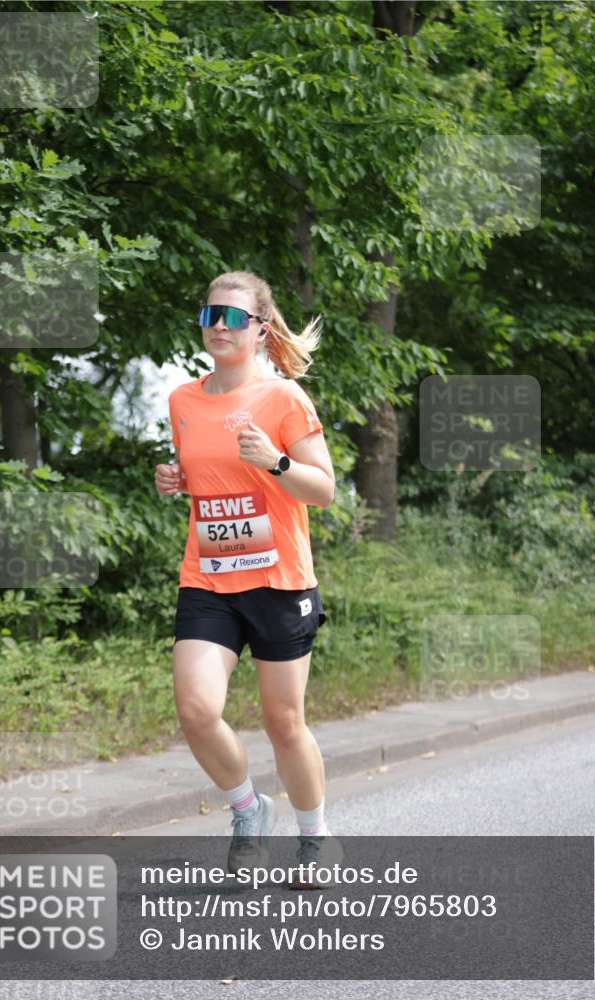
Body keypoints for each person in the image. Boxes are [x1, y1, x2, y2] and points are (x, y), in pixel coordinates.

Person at [155, 270, 343, 889]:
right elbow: (207, 475)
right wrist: (180, 482)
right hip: (207, 577)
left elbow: (324, 489)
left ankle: (314, 839)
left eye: (233, 317)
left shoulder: (284, 398)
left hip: (279, 580)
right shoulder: (184, 400)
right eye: (210, 315)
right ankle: (247, 811)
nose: (219, 327)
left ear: (261, 329)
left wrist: (277, 460)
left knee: (284, 722)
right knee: (196, 709)